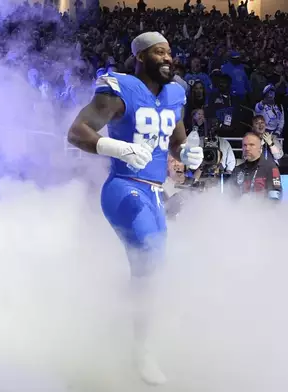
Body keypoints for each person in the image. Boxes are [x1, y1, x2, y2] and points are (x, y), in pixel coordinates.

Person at [67, 31, 204, 386]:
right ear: (141, 57)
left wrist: (187, 153)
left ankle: (118, 325)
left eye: (170, 52)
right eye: (159, 52)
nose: (168, 58)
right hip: (124, 187)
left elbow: (176, 141)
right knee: (150, 255)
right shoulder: (121, 88)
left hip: (157, 193)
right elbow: (77, 131)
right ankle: (140, 352)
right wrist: (116, 148)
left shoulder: (175, 94)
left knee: (153, 271)